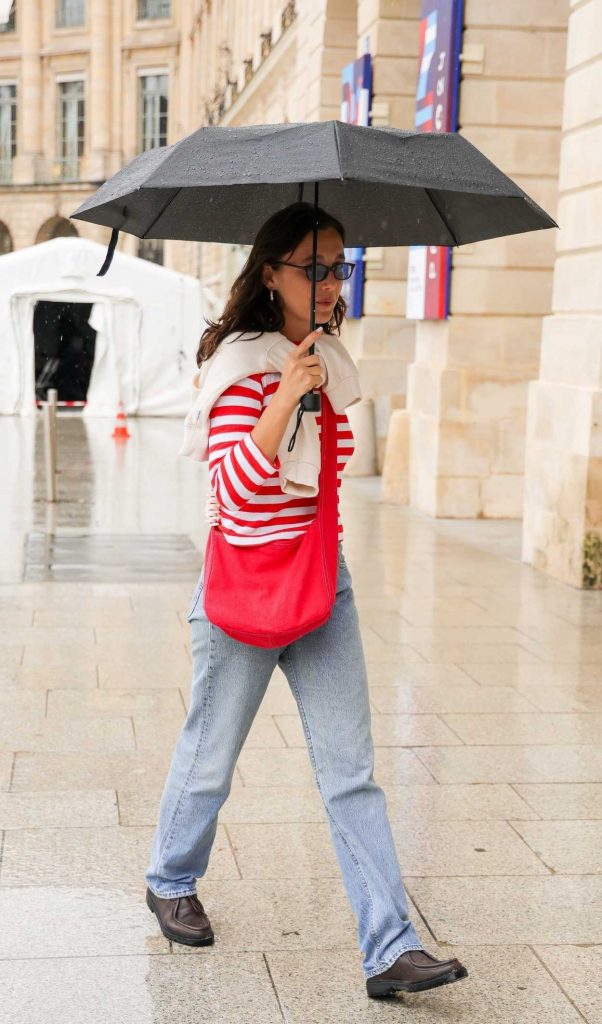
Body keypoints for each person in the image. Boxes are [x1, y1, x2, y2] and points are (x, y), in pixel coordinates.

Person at [144, 202, 468, 999]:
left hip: (323, 580)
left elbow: (325, 481)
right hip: (245, 582)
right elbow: (239, 492)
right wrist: (284, 398)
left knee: (351, 771)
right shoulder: (240, 363)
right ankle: (170, 876)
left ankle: (389, 948)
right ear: (269, 273)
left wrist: (310, 384)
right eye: (312, 268)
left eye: (337, 268)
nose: (328, 284)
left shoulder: (328, 355)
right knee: (211, 758)